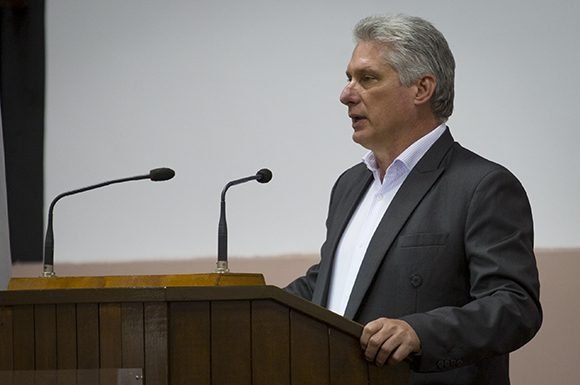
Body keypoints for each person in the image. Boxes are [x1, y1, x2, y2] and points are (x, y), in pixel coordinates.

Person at [285, 14, 542, 385]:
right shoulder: (349, 185)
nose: (346, 94)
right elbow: (332, 282)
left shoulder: (483, 185)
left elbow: (514, 306)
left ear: (421, 89)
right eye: (348, 79)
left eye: (367, 79)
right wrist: (246, 302)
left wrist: (420, 333)